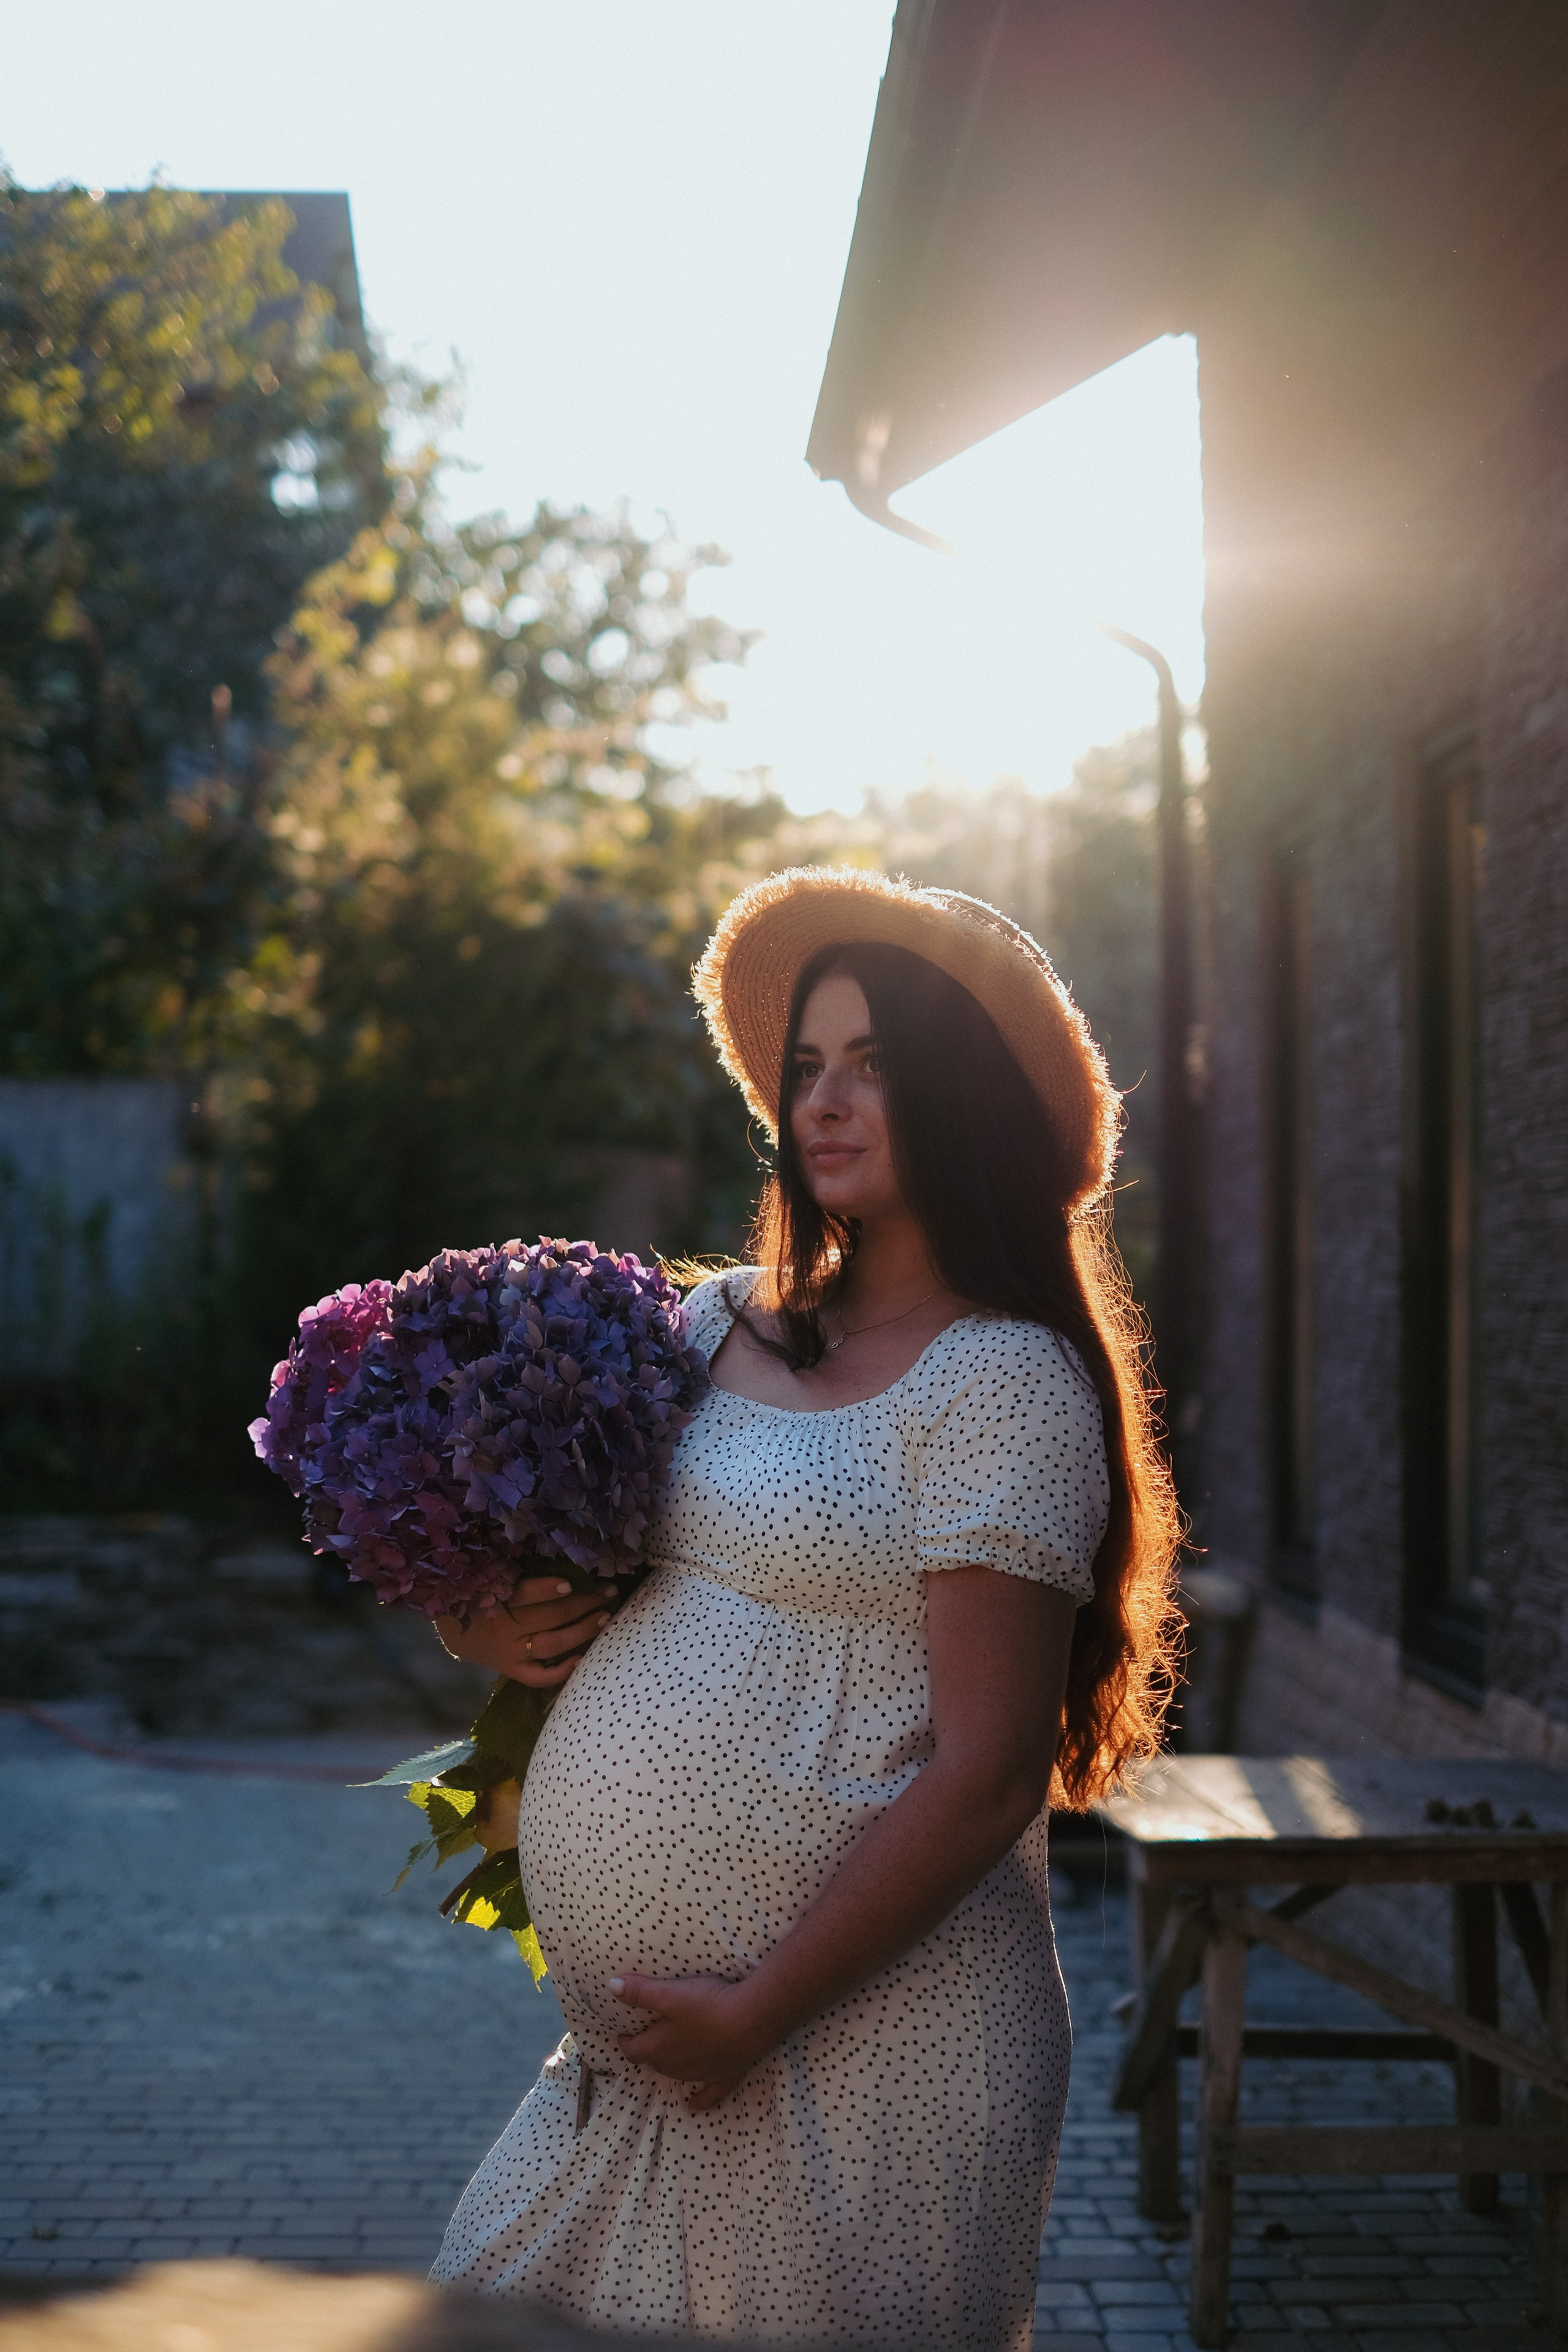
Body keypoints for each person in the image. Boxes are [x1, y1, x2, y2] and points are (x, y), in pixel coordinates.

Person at [428, 868, 1178, 2350]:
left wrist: (760, 2004)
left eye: (878, 1068)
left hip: (872, 2052)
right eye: (807, 1069)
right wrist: (480, 1629)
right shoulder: (706, 1328)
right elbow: (556, 1563)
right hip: (637, 2063)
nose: (825, 1103)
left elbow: (983, 1774)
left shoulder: (1002, 1382)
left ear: (960, 1096)